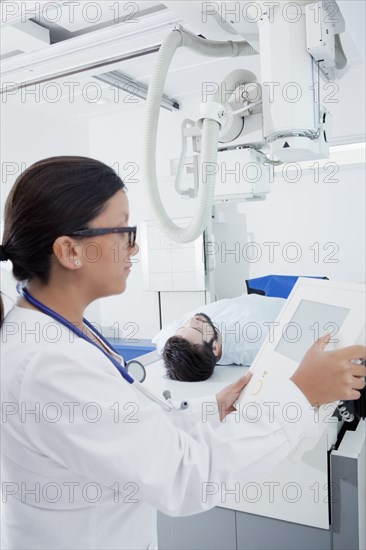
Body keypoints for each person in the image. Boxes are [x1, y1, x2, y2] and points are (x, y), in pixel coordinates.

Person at [0, 157, 365, 550]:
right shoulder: (50, 364)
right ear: (71, 251)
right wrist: (301, 395)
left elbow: (133, 431)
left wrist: (212, 410)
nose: (134, 248)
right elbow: (183, 477)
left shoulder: (60, 332)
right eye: (125, 231)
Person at [154, 295, 286, 381]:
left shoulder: (172, 337)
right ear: (214, 347)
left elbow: (161, 341)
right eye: (197, 329)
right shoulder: (256, 342)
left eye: (183, 327)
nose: (192, 320)